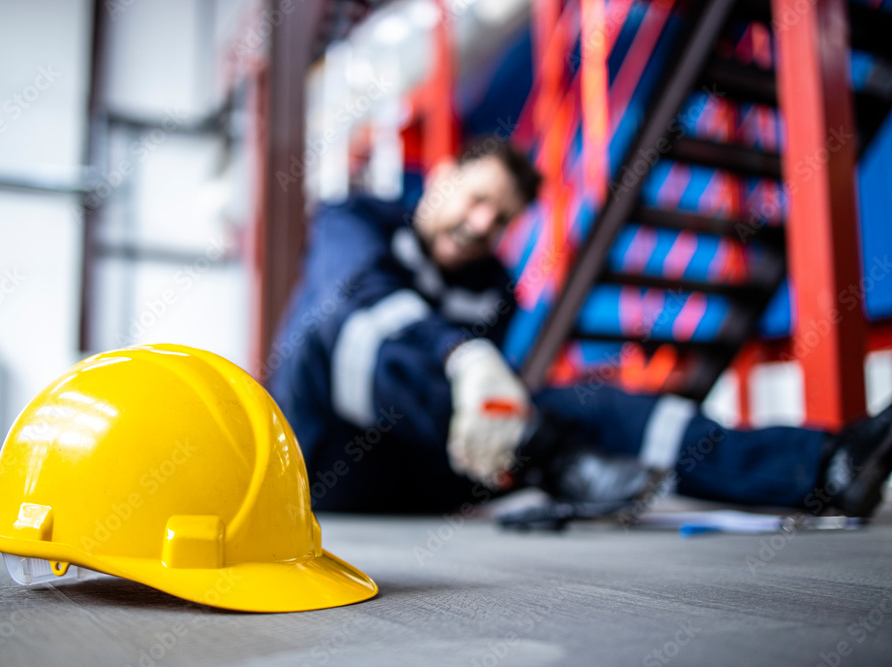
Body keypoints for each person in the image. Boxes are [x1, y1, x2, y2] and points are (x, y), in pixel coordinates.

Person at [267, 137, 892, 518]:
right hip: (325, 468)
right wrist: (463, 357)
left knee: (594, 405)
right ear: (441, 178)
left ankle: (823, 467)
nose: (484, 224)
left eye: (502, 217)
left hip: (431, 470)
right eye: (477, 199)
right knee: (341, 333)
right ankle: (553, 455)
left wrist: (497, 395)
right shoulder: (352, 220)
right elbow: (356, 300)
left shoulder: (494, 288)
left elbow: (491, 403)